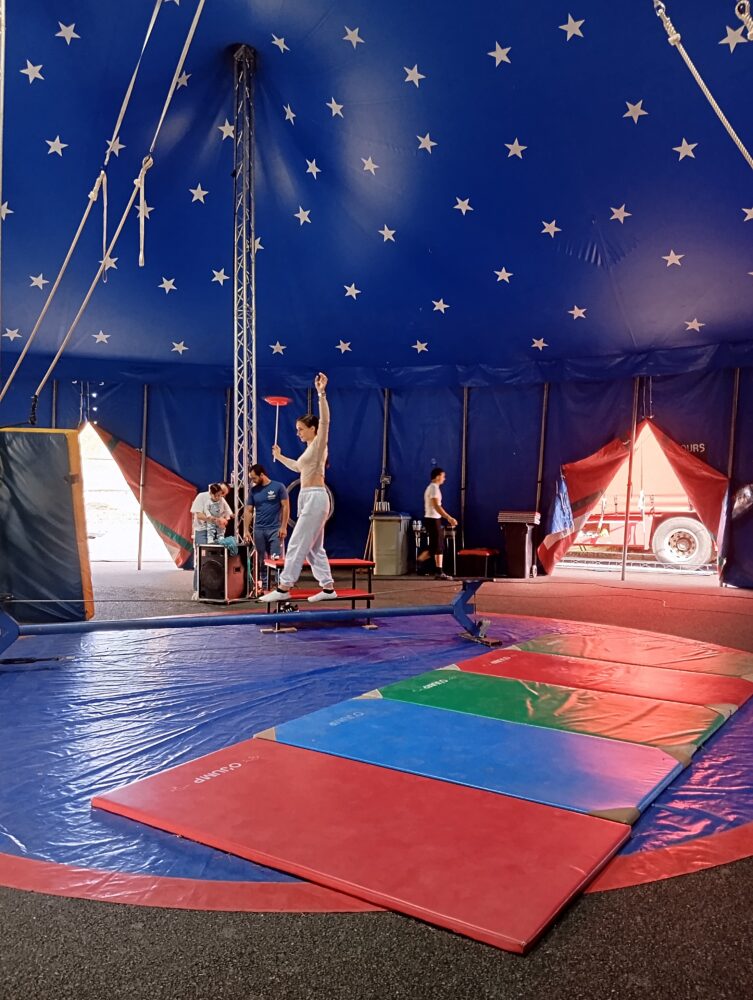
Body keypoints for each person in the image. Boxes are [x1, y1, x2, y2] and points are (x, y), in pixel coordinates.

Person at [258, 372, 337, 603]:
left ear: (312, 429)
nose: (298, 433)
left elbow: (325, 422)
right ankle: (328, 588)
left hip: (316, 497)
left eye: (301, 429)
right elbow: (297, 467)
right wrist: (280, 456)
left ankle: (284, 587)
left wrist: (321, 394)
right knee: (314, 549)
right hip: (307, 497)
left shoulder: (319, 444)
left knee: (296, 543)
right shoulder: (308, 451)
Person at [243, 464, 290, 586]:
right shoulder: (253, 491)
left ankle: (280, 585)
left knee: (276, 558)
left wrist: (283, 526)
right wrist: (246, 530)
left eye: (254, 478)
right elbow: (248, 511)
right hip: (259, 530)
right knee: (261, 559)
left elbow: (285, 507)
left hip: (275, 529)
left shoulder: (278, 487)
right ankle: (264, 584)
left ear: (262, 475)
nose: (253, 481)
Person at [190, 482, 232, 597]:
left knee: (216, 560)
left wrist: (224, 521)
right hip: (202, 531)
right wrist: (215, 520)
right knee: (202, 559)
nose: (221, 496)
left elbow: (228, 516)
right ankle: (197, 589)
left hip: (217, 532)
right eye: (220, 493)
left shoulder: (221, 500)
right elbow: (199, 515)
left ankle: (214, 588)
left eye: (223, 494)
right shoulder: (202, 497)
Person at [418, 467, 457, 580]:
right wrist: (449, 518)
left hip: (434, 519)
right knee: (436, 547)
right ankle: (420, 562)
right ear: (437, 476)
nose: (444, 479)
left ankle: (438, 571)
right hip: (432, 519)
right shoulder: (433, 488)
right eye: (443, 476)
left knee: (438, 546)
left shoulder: (433, 488)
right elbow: (436, 506)